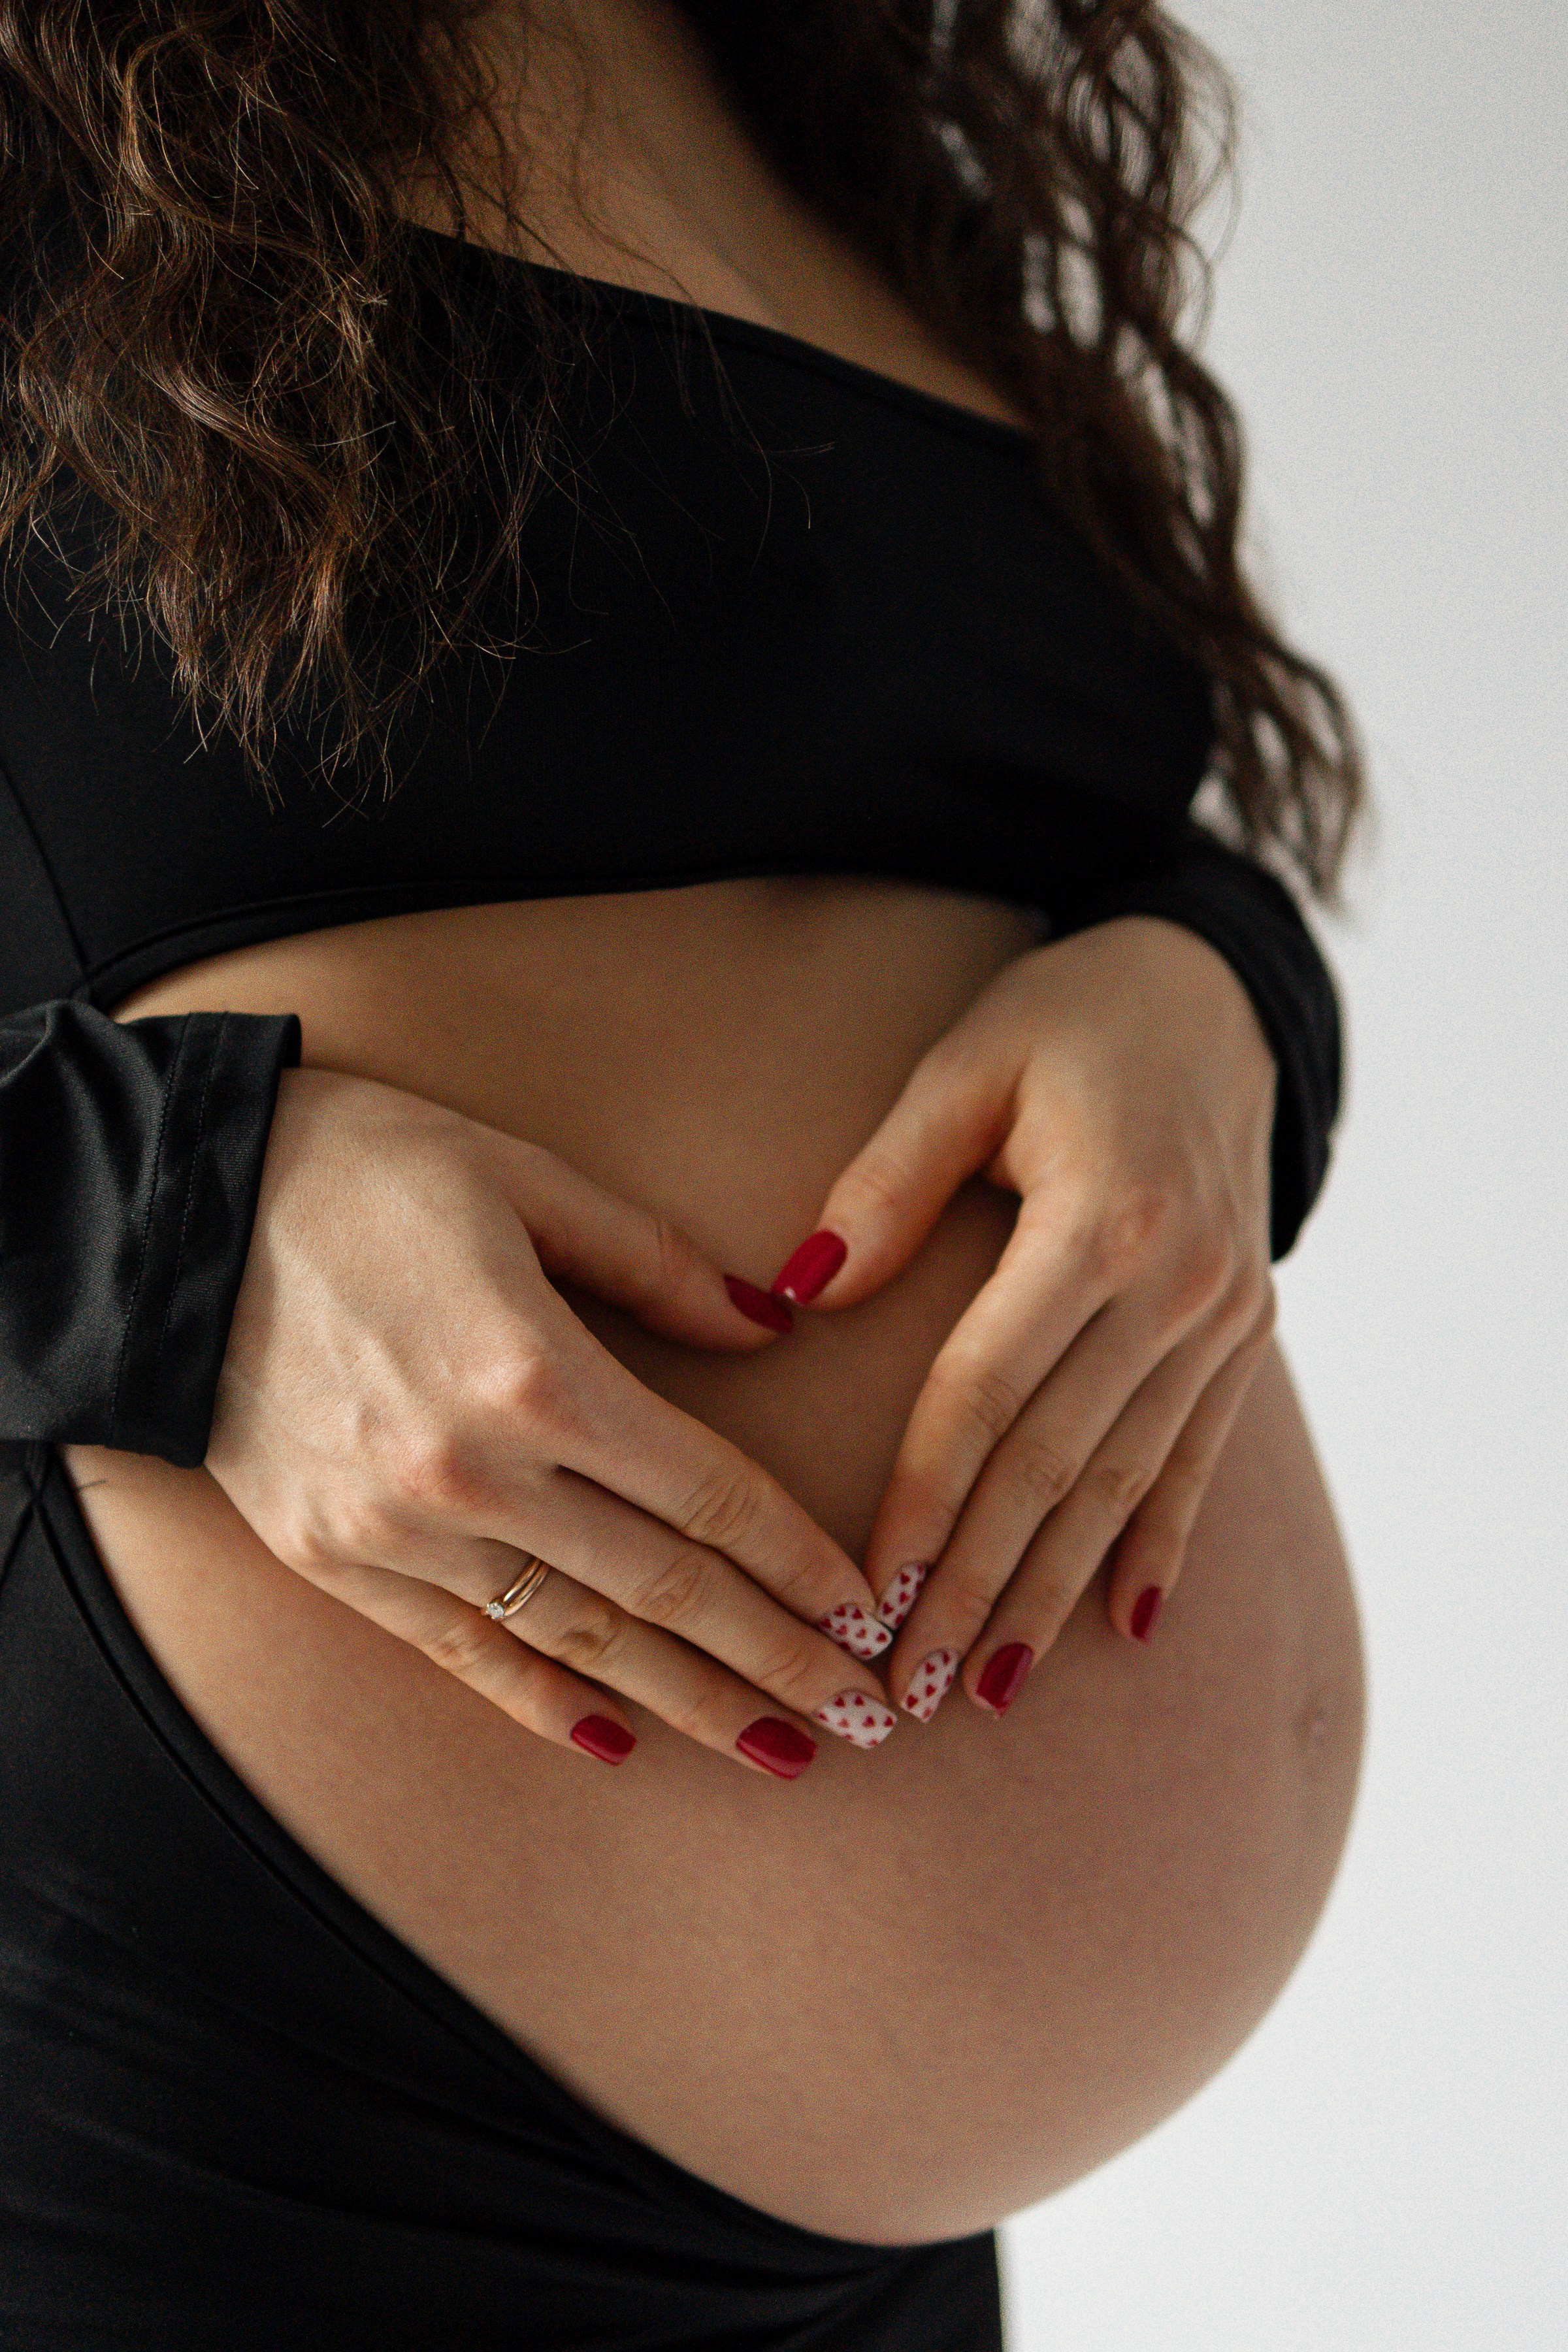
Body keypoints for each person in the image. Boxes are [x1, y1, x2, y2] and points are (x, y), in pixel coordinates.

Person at [0, 4, 1365, 2344]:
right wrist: (153, 1238)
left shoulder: (824, 97)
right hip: (207, 2117)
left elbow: (1052, 825)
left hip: (881, 2263)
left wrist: (1223, 996)